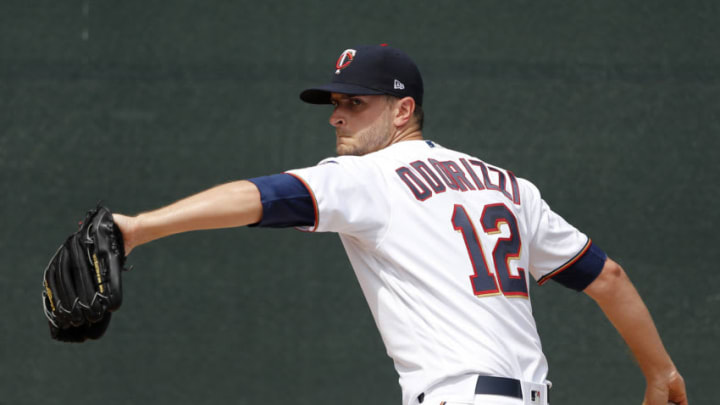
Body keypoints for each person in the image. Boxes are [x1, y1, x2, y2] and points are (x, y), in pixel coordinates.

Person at [111, 45, 688, 405]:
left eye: (357, 102)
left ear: (403, 109)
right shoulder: (508, 185)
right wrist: (660, 372)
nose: (338, 113)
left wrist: (139, 227)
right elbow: (607, 276)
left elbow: (258, 196)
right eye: (336, 101)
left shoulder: (372, 176)